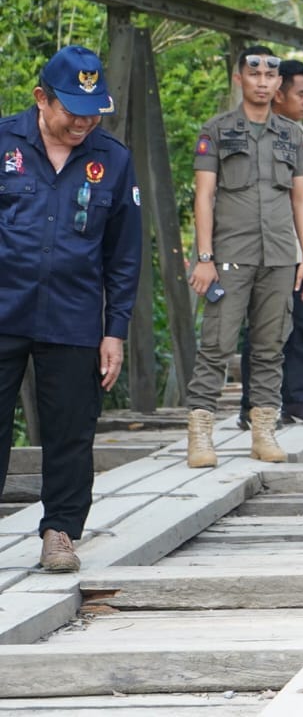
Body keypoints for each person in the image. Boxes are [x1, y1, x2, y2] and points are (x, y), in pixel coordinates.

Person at [0, 45, 142, 572]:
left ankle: (59, 532)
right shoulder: (3, 142)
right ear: (41, 98)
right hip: (4, 307)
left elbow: (124, 255)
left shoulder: (113, 157)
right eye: (71, 110)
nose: (83, 121)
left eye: (92, 111)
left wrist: (116, 330)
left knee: (70, 430)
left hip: (74, 314)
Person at [185, 46, 303, 468]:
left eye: (270, 75)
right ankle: (201, 436)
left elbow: (300, 199)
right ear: (239, 78)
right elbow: (203, 196)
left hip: (279, 256)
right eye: (254, 73)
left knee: (270, 345)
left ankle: (263, 431)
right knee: (217, 344)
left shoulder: (290, 135)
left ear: (278, 84)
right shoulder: (217, 130)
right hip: (230, 256)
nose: (262, 81)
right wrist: (204, 257)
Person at [237, 60, 303, 428]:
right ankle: (253, 407)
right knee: (265, 331)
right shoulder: (253, 133)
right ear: (279, 93)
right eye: (301, 94)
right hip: (271, 249)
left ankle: (294, 400)